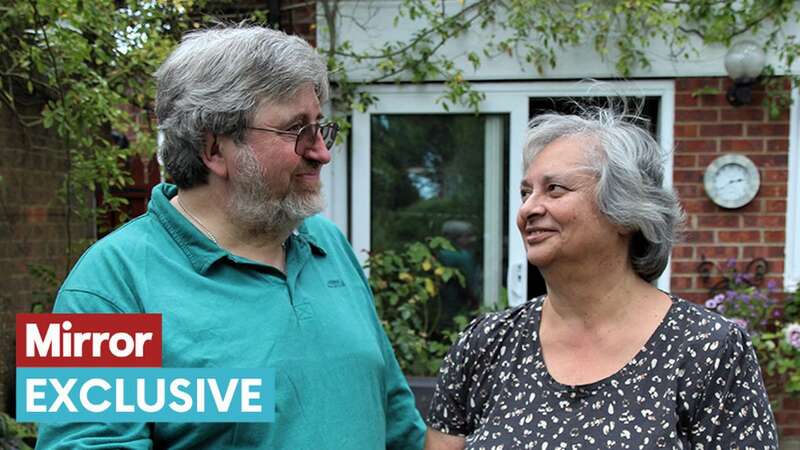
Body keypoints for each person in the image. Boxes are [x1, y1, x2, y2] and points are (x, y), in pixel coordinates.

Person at [36, 25, 425, 450]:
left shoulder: (327, 245)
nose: (321, 151)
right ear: (215, 149)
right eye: (297, 130)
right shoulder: (105, 287)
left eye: (319, 127)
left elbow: (397, 421)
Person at [424, 107, 778, 449]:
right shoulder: (486, 344)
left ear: (625, 211)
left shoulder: (708, 348)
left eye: (555, 189)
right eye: (525, 192)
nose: (528, 208)